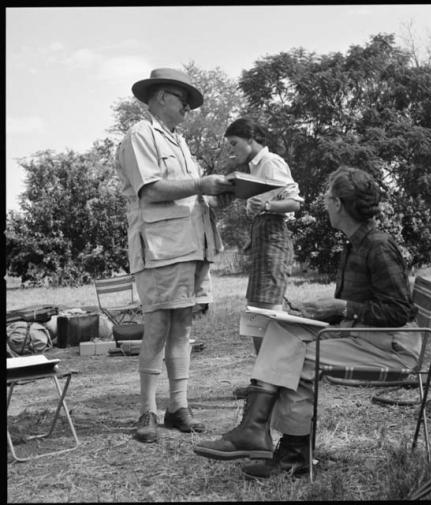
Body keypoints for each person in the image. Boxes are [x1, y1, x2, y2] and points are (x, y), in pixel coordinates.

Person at [193, 166, 420, 479]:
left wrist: (341, 306)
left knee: (295, 357)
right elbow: (367, 306)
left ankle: (279, 445)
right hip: (365, 336)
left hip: (391, 346)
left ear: (339, 204)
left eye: (328, 197)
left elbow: (399, 311)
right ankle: (268, 438)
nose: (324, 202)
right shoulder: (356, 241)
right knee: (283, 336)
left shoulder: (377, 245)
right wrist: (320, 312)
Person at [115, 68, 234, 443]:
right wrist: (201, 183)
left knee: (183, 327)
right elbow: (150, 190)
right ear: (162, 97)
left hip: (191, 246)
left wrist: (219, 191)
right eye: (183, 100)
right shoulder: (140, 135)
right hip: (160, 248)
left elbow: (188, 193)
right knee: (158, 327)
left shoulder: (179, 142)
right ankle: (147, 411)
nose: (187, 108)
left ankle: (177, 406)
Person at [224, 118, 303, 367]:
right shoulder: (255, 168)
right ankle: (265, 377)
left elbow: (295, 203)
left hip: (275, 236)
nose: (232, 150)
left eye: (234, 143)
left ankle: (274, 378)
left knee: (266, 313)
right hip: (263, 236)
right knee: (256, 314)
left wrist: (267, 205)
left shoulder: (271, 162)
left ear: (250, 139)